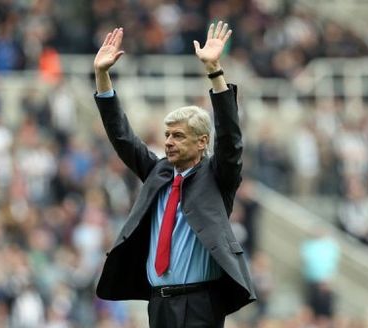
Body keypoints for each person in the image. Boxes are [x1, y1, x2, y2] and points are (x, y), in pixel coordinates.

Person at [92, 21, 256, 328]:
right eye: (167, 135)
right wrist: (102, 76)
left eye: (178, 136)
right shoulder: (158, 173)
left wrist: (215, 72)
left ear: (202, 141)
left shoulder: (217, 177)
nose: (168, 142)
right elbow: (123, 138)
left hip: (201, 304)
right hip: (158, 302)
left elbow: (231, 140)